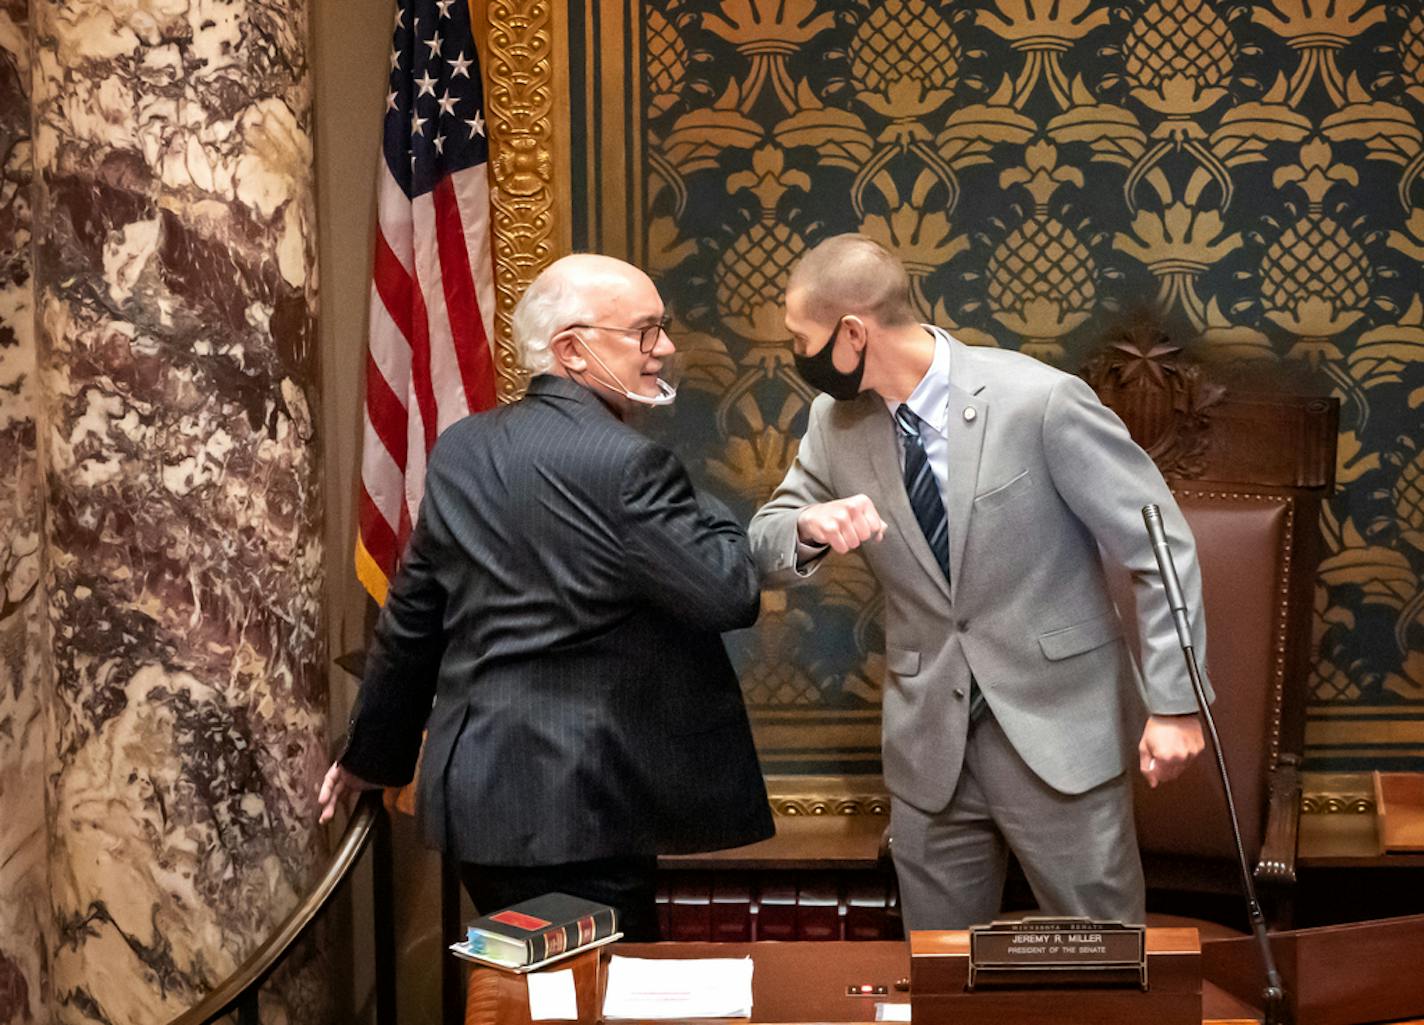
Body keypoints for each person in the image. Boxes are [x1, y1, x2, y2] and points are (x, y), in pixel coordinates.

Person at [749, 234, 1210, 930]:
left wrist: (1177, 703)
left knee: (1105, 960)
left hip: (1058, 730)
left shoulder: (1040, 401)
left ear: (851, 333)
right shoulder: (833, 422)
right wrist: (810, 526)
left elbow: (1158, 543)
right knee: (939, 969)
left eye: (800, 337)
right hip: (929, 742)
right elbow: (766, 536)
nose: (796, 354)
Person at [319, 254, 773, 940]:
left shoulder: (462, 448)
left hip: (478, 804)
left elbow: (413, 616)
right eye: (645, 331)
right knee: (596, 1005)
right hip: (586, 807)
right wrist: (703, 497)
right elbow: (729, 590)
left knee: (530, 1000)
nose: (667, 348)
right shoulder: (630, 463)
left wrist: (370, 756)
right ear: (572, 349)